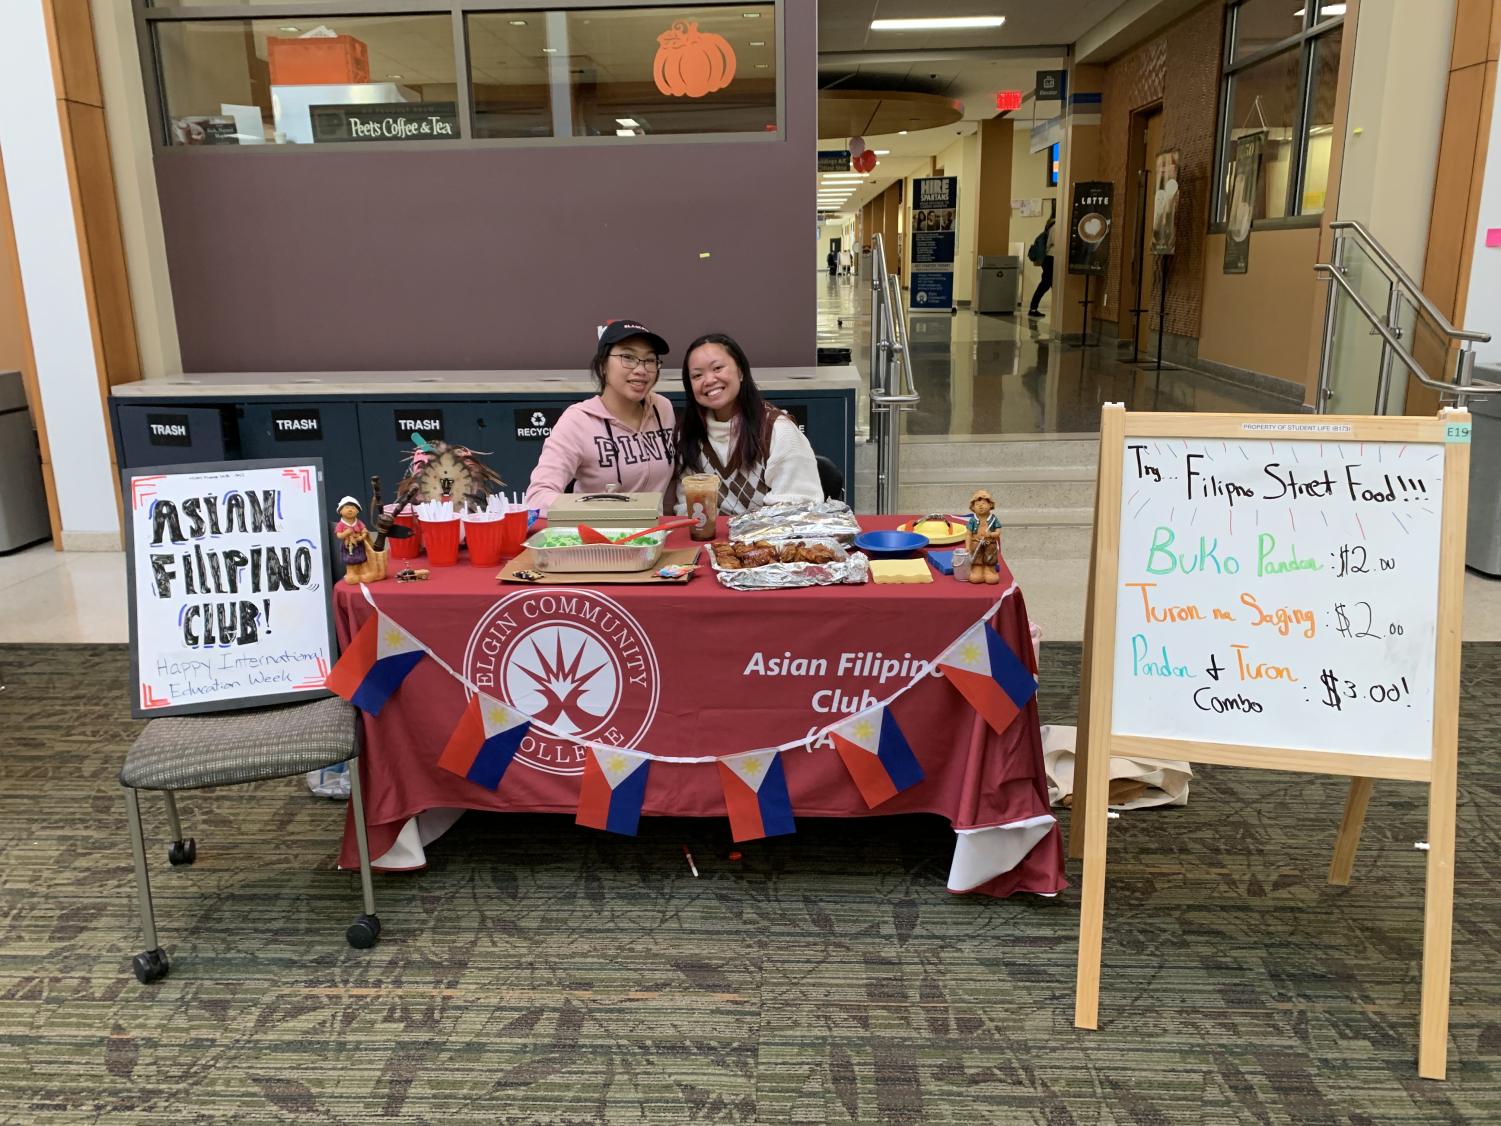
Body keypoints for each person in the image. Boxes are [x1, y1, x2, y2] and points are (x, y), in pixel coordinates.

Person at [523, 319, 676, 511]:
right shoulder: (578, 421)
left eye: (650, 360)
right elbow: (538, 496)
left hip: (654, 536)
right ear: (603, 365)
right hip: (599, 536)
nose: (641, 369)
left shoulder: (662, 409)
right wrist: (596, 513)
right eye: (628, 357)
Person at [672, 333, 823, 516]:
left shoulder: (778, 430)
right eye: (697, 375)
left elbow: (797, 510)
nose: (709, 380)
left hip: (770, 542)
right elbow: (687, 508)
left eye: (718, 368)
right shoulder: (687, 435)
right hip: (710, 542)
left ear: (741, 371)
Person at [964, 489, 1002, 585]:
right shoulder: (972, 520)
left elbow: (998, 532)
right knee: (976, 554)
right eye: (977, 504)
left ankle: (989, 570)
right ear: (973, 507)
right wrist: (967, 547)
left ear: (990, 505)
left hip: (990, 543)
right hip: (976, 543)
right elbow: (968, 534)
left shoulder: (993, 519)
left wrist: (991, 534)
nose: (980, 506)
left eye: (984, 503)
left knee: (991, 553)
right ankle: (977, 569)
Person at [1027, 218, 1057, 318]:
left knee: (1048, 284)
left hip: (1048, 259)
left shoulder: (1050, 227)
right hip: (1051, 258)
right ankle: (1033, 308)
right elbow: (1053, 244)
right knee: (1046, 284)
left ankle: (1034, 308)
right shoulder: (1056, 227)